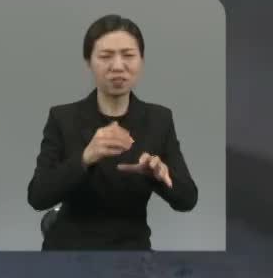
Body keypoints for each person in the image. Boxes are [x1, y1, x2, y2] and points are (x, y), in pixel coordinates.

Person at [26, 14, 199, 250]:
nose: (118, 66)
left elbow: (187, 199)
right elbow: (38, 196)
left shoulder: (159, 119)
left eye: (128, 55)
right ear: (89, 61)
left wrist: (159, 176)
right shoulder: (63, 118)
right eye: (105, 56)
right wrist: (85, 158)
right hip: (69, 246)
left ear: (142, 60)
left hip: (131, 249)